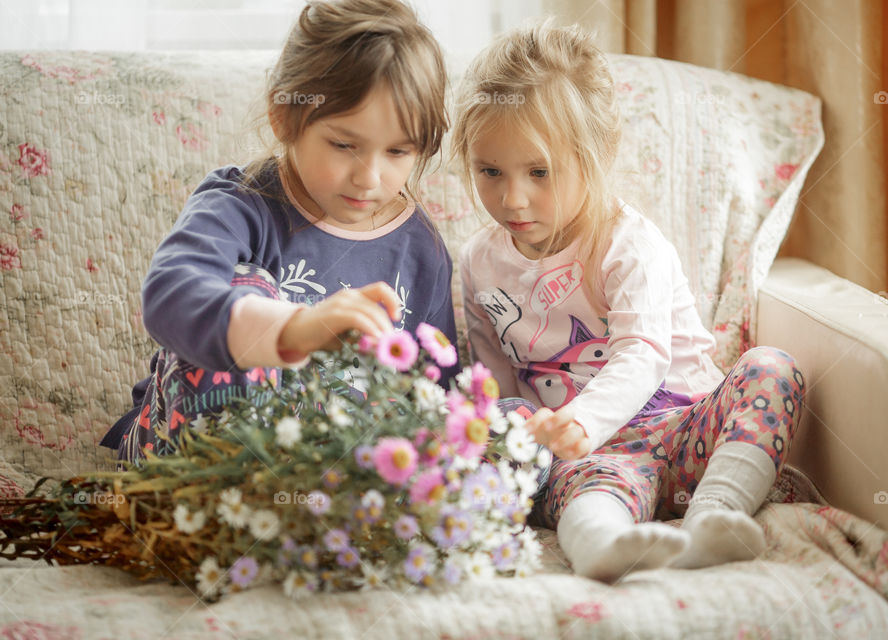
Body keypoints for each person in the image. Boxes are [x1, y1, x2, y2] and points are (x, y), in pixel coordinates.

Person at [453, 21, 805, 582]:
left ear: (595, 155)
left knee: (773, 369)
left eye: (539, 172)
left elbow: (643, 354)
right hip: (589, 460)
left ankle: (714, 517)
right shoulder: (478, 261)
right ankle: (602, 544)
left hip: (682, 428)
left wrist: (582, 419)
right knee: (544, 455)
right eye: (489, 171)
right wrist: (522, 438)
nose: (512, 198)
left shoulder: (626, 242)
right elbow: (495, 380)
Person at [99, 0, 456, 465]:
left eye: (398, 152)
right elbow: (169, 297)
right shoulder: (240, 205)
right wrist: (295, 329)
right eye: (344, 144)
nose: (369, 177)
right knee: (247, 283)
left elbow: (436, 389)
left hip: (317, 474)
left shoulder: (422, 248)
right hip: (183, 454)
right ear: (284, 117)